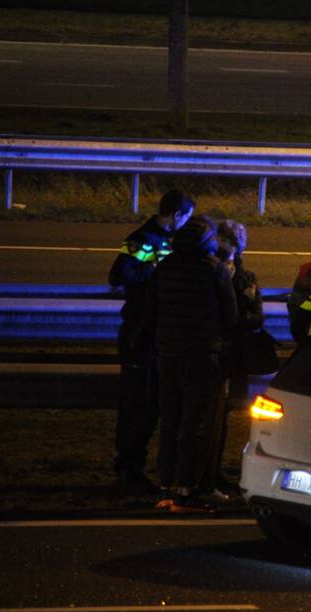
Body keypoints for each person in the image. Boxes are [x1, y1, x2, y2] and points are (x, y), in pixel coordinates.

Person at [142, 216, 237, 513]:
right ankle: (188, 490)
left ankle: (165, 487)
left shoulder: (164, 268)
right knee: (196, 424)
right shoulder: (215, 270)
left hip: (168, 354)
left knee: (170, 420)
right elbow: (230, 316)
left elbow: (150, 310)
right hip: (201, 356)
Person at [107, 189, 195, 495]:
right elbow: (119, 275)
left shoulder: (168, 241)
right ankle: (127, 469)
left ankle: (135, 466)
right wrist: (157, 270)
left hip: (155, 333)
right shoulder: (143, 238)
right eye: (187, 218)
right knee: (137, 404)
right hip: (138, 334)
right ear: (177, 215)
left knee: (152, 404)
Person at [198, 219, 269, 500]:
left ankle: (211, 473)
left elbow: (256, 316)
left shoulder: (240, 276)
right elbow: (251, 316)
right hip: (222, 354)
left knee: (219, 417)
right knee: (211, 418)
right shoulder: (220, 274)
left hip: (227, 355)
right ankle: (205, 475)